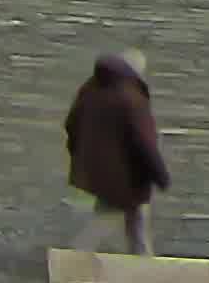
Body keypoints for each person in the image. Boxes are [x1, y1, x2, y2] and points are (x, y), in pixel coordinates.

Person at [64, 52, 170, 256]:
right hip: (127, 177)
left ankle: (143, 268)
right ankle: (73, 261)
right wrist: (161, 176)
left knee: (133, 224)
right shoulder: (132, 98)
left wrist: (80, 156)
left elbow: (71, 125)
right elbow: (144, 142)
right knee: (109, 221)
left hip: (99, 172)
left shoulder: (91, 89)